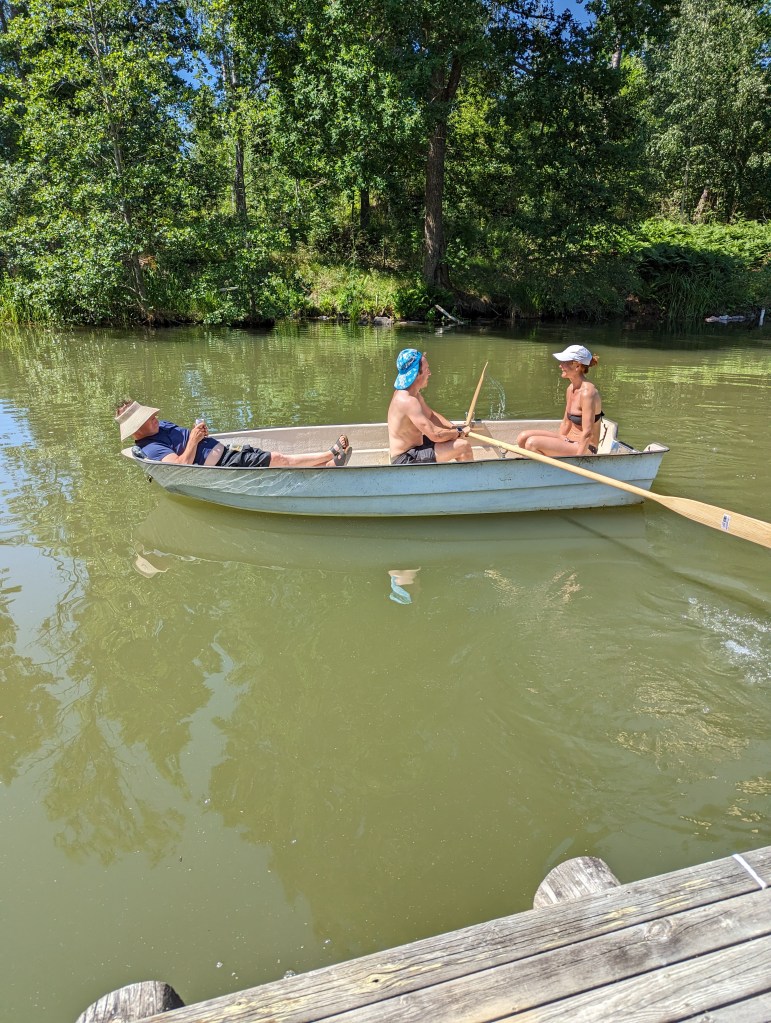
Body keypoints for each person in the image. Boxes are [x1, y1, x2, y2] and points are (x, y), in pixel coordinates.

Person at [115, 400, 353, 468]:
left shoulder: (161, 426)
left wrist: (199, 433)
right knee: (279, 459)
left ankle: (326, 466)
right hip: (224, 465)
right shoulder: (150, 446)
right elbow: (180, 465)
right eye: (149, 418)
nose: (155, 417)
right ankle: (329, 455)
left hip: (229, 452)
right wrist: (195, 440)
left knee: (274, 460)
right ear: (137, 428)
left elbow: (186, 440)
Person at [387, 349, 473, 464]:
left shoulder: (412, 394)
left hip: (415, 448)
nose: (430, 373)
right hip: (404, 459)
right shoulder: (408, 401)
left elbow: (431, 416)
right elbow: (436, 435)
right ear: (417, 374)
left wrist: (453, 427)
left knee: (454, 440)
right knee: (464, 447)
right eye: (427, 369)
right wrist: (458, 433)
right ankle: (470, 476)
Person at [516, 344, 603, 457]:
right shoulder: (570, 388)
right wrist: (557, 444)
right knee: (522, 438)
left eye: (564, 362)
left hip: (585, 448)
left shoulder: (588, 393)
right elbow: (566, 423)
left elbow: (587, 433)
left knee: (532, 443)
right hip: (568, 440)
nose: (560, 366)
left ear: (577, 366)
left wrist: (577, 461)